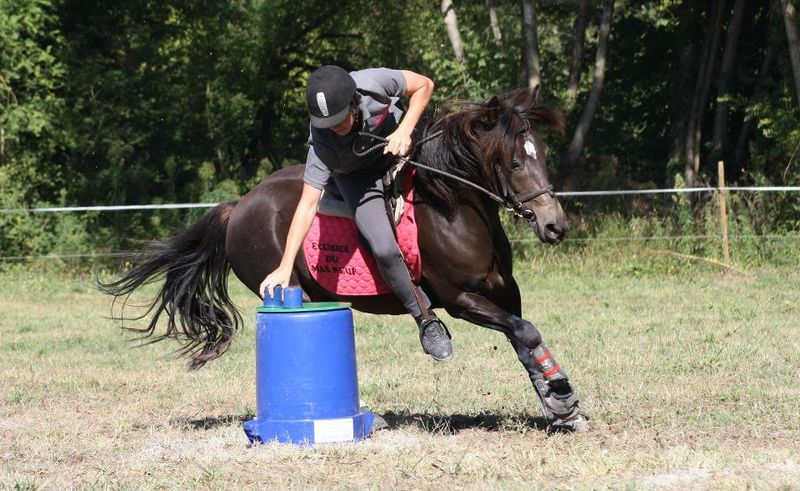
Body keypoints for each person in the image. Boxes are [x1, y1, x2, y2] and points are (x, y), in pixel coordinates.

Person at [258, 65, 453, 362]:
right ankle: (425, 319)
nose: (335, 128)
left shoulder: (374, 83)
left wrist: (404, 129)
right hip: (359, 179)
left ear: (354, 101)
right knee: (385, 249)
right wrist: (285, 266)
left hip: (401, 144)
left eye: (340, 119)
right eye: (328, 124)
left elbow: (425, 84)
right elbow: (307, 205)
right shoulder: (322, 144)